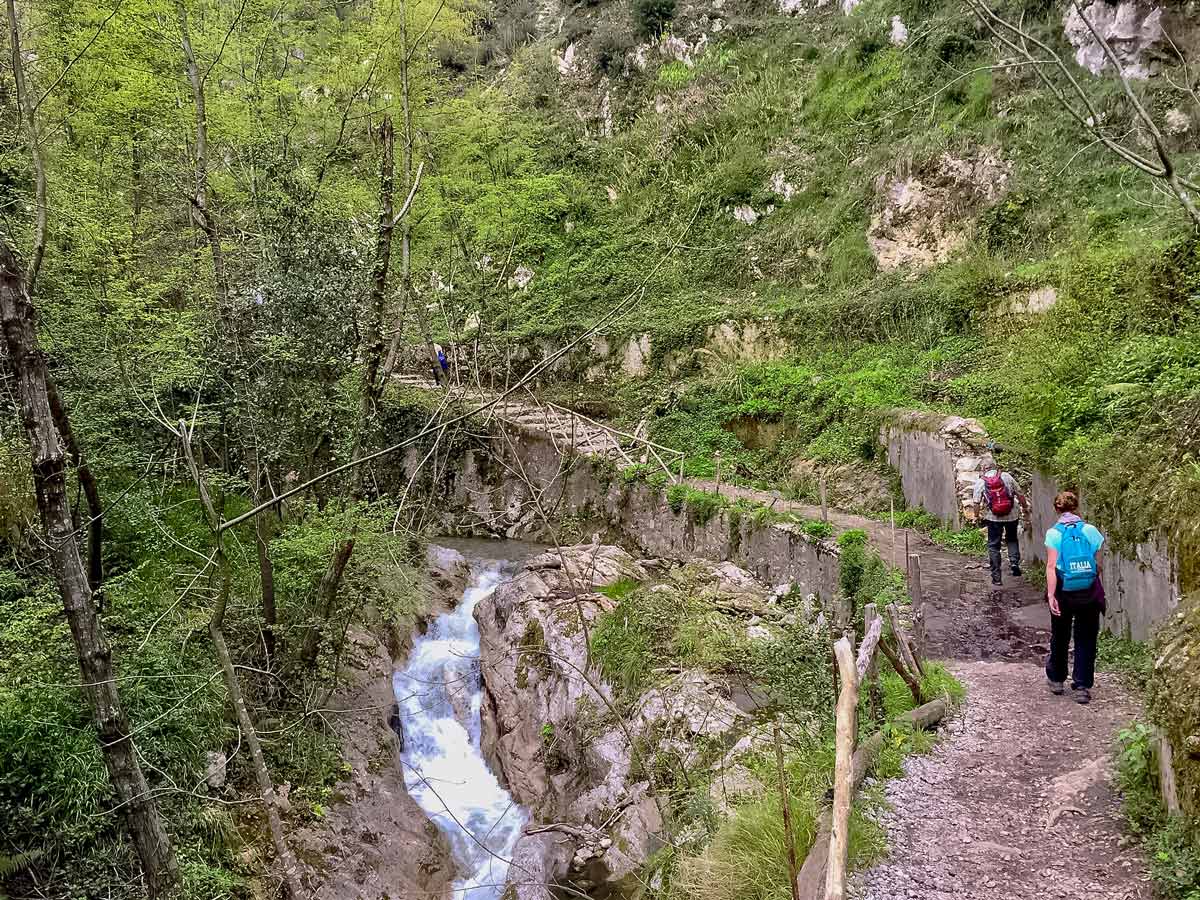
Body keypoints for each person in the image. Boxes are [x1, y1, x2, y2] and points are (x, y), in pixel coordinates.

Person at [1044, 491, 1105, 704]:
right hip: (1088, 591)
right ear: (1077, 507)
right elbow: (1098, 564)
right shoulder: (1091, 531)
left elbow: (1051, 566)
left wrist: (1051, 595)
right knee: (1086, 637)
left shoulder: (1054, 533)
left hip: (1063, 590)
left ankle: (1057, 679)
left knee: (1060, 635)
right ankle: (1082, 686)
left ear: (1057, 509)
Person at [972, 455, 1031, 586]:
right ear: (995, 466)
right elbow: (1019, 493)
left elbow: (976, 502)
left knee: (993, 545)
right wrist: (1025, 507)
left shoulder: (981, 481)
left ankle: (997, 577)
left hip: (993, 518)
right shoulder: (1007, 476)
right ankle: (1014, 563)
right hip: (1012, 515)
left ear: (983, 468)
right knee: (1011, 538)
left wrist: (976, 516)